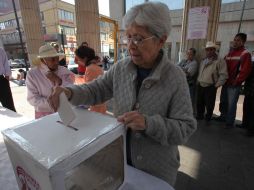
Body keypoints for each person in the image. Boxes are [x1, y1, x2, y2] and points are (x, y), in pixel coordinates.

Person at [48, 2, 196, 186]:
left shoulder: (175, 77)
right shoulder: (121, 69)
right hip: (120, 162)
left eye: (139, 39)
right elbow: (95, 90)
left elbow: (185, 128)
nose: (131, 46)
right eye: (128, 37)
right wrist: (69, 92)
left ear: (161, 40)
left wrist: (149, 123)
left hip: (157, 170)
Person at [26, 44, 75, 119]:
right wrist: (53, 103)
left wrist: (59, 81)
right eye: (52, 59)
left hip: (64, 111)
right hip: (43, 114)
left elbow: (71, 89)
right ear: (43, 60)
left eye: (57, 58)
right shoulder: (33, 74)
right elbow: (32, 99)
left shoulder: (64, 71)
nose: (56, 62)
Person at [216, 33, 252, 128]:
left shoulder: (245, 54)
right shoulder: (230, 53)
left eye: (238, 40)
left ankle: (229, 122)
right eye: (235, 40)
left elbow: (245, 71)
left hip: (234, 84)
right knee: (223, 101)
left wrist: (236, 82)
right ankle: (223, 116)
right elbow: (223, 65)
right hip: (226, 82)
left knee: (231, 104)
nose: (235, 42)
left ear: (243, 42)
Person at [196, 42, 228, 121]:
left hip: (211, 85)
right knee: (199, 102)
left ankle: (208, 117)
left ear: (214, 50)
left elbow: (224, 75)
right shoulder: (203, 60)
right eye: (207, 50)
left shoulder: (220, 61)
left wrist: (217, 85)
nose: (209, 51)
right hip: (201, 84)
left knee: (209, 103)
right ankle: (200, 115)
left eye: (211, 50)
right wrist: (198, 80)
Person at [75, 46, 106, 114]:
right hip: (101, 102)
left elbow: (90, 91)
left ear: (85, 58)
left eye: (79, 59)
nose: (79, 61)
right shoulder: (96, 66)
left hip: (96, 105)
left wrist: (82, 103)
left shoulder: (90, 69)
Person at [0, 47, 16, 112]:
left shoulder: (0, 50)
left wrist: (6, 80)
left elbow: (6, 64)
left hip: (1, 80)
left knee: (9, 106)